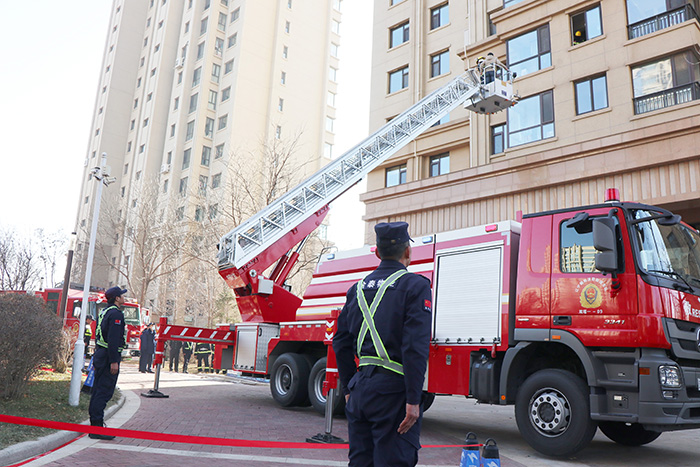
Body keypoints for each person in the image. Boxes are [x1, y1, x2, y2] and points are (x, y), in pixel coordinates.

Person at [333, 222, 432, 467]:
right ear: (408, 252)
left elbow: (340, 342)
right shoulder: (415, 286)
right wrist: (413, 399)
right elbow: (414, 347)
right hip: (394, 393)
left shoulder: (355, 290)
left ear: (377, 253)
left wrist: (348, 390)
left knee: (360, 462)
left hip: (360, 390)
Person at [88, 286, 128, 440]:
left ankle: (95, 424)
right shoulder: (116, 314)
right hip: (107, 357)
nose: (124, 298)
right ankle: (97, 428)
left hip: (100, 354)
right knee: (104, 392)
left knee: (98, 391)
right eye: (122, 296)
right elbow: (113, 339)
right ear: (116, 298)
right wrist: (114, 361)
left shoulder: (104, 311)